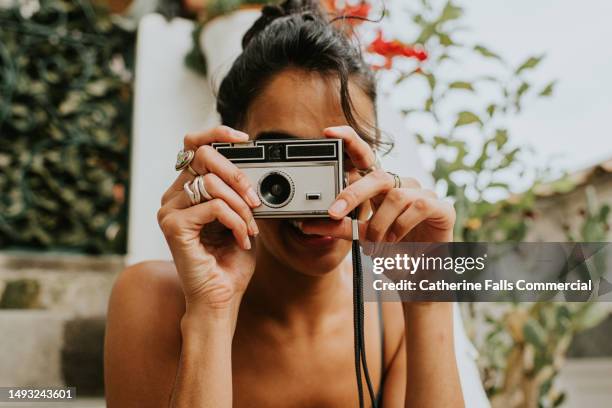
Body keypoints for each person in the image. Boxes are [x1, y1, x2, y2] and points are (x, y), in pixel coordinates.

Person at [104, 1, 464, 406]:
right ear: (227, 159)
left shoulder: (390, 309)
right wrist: (210, 315)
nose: (321, 202)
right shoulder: (154, 300)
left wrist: (430, 298)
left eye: (339, 158)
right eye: (283, 161)